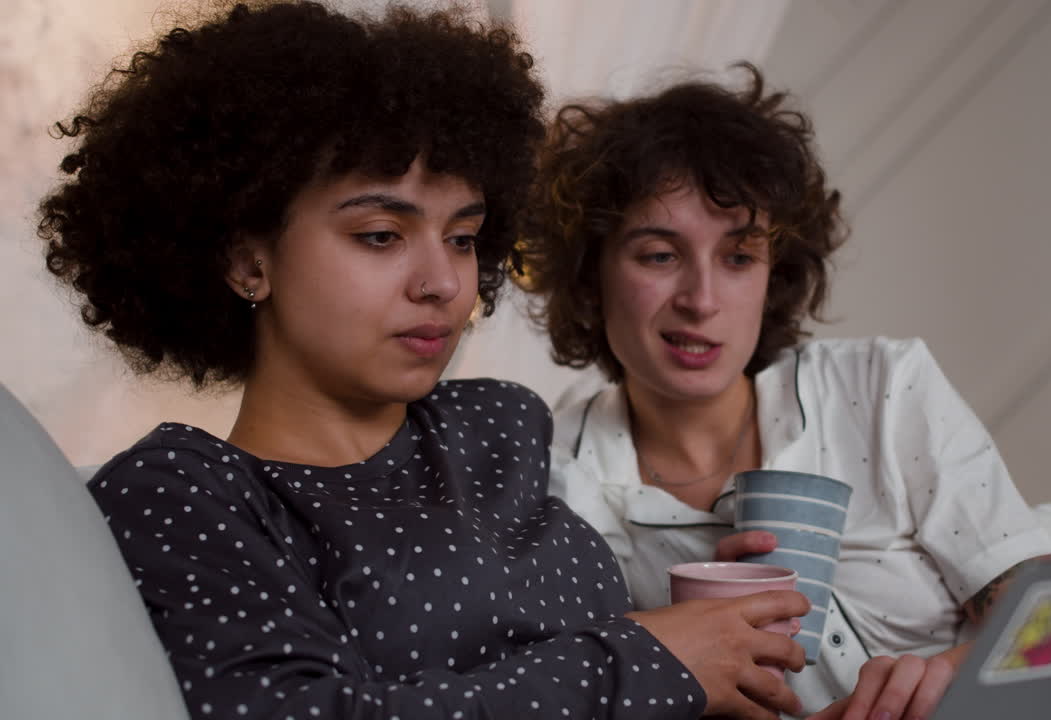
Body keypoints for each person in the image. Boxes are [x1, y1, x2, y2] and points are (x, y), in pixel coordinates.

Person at [36, 6, 810, 719]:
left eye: (463, 238)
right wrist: (645, 663)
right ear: (248, 261)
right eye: (381, 235)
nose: (442, 283)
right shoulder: (180, 498)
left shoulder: (500, 427)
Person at [518, 64, 1051, 719]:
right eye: (660, 255)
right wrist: (698, 645)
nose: (702, 300)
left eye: (738, 257)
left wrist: (937, 680)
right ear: (589, 273)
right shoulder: (552, 479)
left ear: (774, 274)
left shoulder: (881, 387)